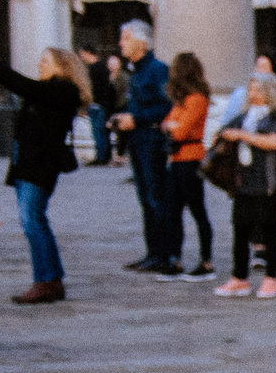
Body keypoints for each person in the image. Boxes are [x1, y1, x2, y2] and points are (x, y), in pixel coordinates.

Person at [0, 42, 82, 305]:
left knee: (32, 220)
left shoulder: (62, 89)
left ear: (61, 66)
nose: (39, 65)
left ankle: (46, 280)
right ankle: (52, 278)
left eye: (45, 61)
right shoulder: (50, 90)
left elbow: (22, 85)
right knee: (35, 220)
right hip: (30, 164)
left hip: (40, 165)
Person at [212, 73, 276, 300]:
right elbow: (223, 131)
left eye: (258, 90)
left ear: (270, 92)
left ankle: (271, 278)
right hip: (243, 180)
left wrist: (242, 136)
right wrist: (221, 136)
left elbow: (274, 142)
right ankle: (239, 277)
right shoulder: (245, 115)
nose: (253, 94)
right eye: (250, 90)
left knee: (269, 230)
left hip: (267, 181)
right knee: (240, 229)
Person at [109, 22, 176, 274]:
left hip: (152, 141)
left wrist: (136, 119)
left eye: (126, 38)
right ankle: (153, 253)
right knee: (145, 198)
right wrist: (122, 118)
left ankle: (164, 254)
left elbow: (167, 106)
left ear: (143, 42)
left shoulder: (157, 70)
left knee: (156, 197)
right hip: (138, 141)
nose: (121, 43)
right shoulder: (136, 72)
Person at [162, 52, 215, 280]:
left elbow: (180, 131)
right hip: (176, 160)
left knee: (197, 210)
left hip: (191, 159)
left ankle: (206, 261)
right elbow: (167, 124)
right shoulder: (181, 100)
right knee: (173, 211)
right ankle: (175, 258)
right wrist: (172, 125)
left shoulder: (196, 99)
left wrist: (172, 125)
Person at [83, 49, 117, 165]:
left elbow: (95, 88)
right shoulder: (103, 68)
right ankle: (105, 156)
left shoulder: (94, 69)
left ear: (88, 53)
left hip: (97, 104)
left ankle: (101, 157)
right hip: (103, 105)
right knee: (102, 132)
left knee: (98, 132)